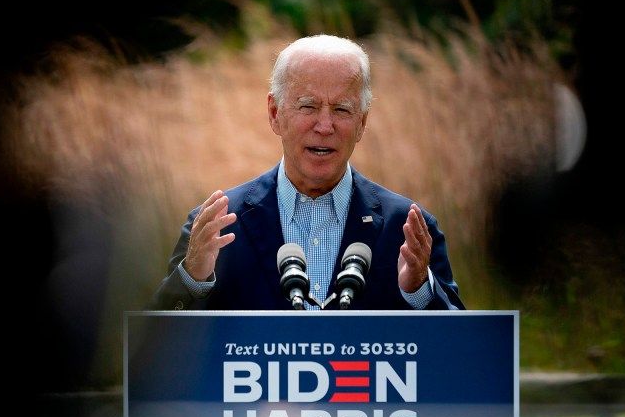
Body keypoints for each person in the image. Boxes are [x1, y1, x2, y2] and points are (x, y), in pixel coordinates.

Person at [148, 34, 465, 311]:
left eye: (342, 109)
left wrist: (420, 290)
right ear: (275, 113)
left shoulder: (407, 228)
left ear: (362, 123)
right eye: (308, 106)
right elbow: (152, 354)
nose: (325, 126)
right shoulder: (217, 227)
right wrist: (192, 278)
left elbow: (464, 353)